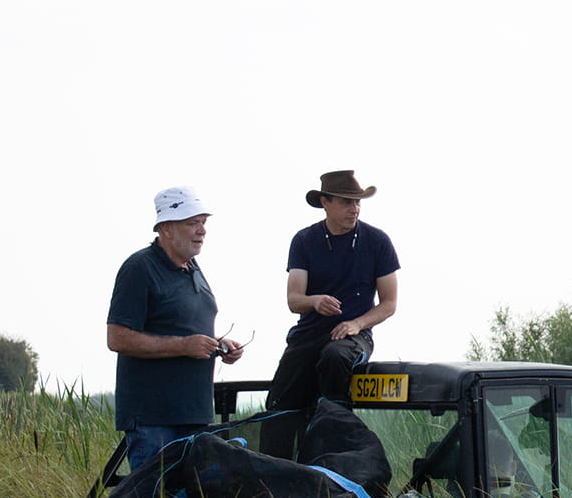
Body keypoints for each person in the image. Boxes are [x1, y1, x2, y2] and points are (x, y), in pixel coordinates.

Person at [263, 170, 402, 460]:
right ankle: (270, 481)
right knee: (278, 406)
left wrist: (357, 323)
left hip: (355, 336)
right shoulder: (304, 240)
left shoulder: (377, 241)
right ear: (325, 202)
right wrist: (314, 302)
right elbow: (294, 300)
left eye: (358, 202)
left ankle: (335, 452)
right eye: (346, 202)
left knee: (336, 357)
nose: (355, 208)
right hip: (309, 334)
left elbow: (389, 304)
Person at [106, 186, 246, 471]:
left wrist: (219, 344)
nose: (201, 230)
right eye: (192, 223)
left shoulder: (194, 268)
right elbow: (117, 337)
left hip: (194, 413)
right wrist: (183, 346)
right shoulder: (139, 268)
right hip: (153, 418)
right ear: (167, 229)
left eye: (203, 222)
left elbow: (185, 328)